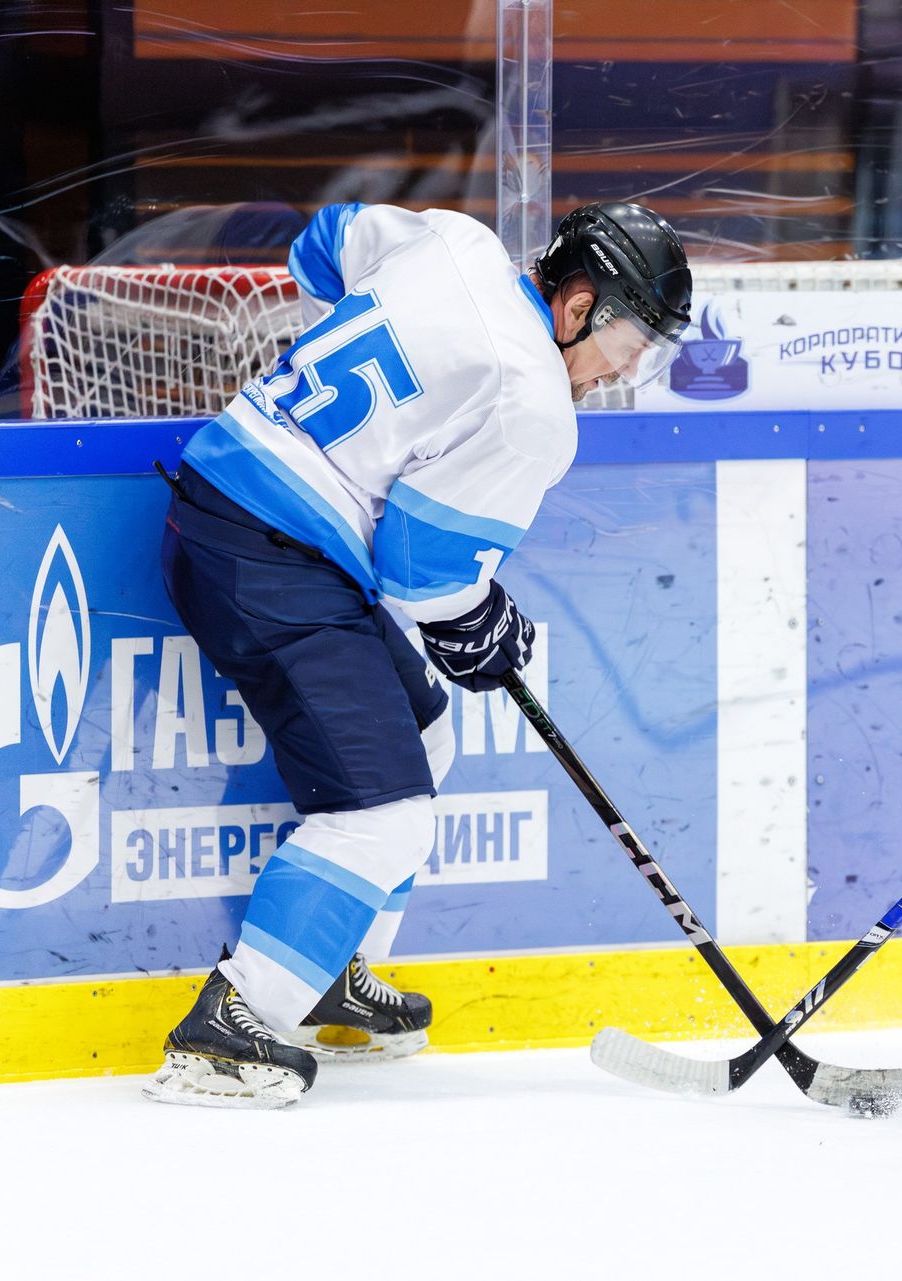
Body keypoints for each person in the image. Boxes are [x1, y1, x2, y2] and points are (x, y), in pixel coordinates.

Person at [144, 200, 692, 1108]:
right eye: (630, 342)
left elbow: (320, 243)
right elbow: (418, 571)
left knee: (426, 735)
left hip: (223, 501)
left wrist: (353, 412)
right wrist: (481, 622)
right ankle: (230, 1026)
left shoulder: (453, 241)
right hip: (271, 555)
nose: (629, 369)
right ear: (577, 306)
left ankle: (326, 963)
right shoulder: (533, 402)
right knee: (387, 813)